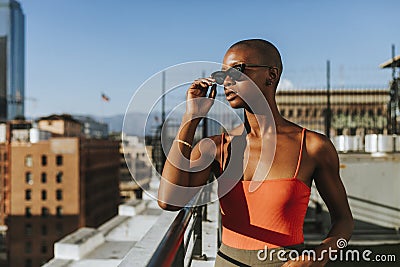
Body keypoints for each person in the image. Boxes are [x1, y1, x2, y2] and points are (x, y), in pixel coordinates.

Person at [158, 39, 353, 266]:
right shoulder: (218, 147)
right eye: (221, 75)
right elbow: (168, 201)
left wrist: (317, 258)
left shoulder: (313, 146)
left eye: (237, 70)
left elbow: (345, 222)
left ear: (271, 75)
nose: (226, 82)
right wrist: (191, 116)